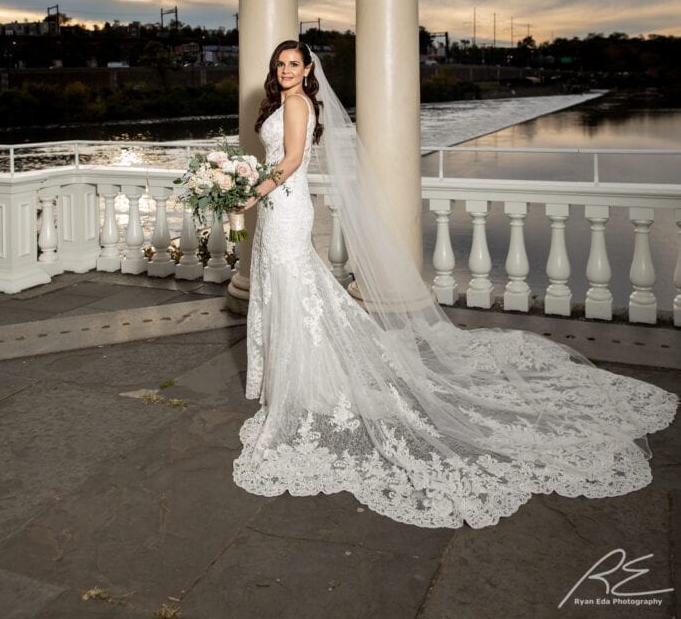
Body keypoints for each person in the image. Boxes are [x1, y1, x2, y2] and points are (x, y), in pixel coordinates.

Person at [232, 39, 678, 529]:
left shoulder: (296, 103)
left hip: (285, 206)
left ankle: (307, 381)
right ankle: (295, 377)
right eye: (280, 63)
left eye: (295, 63)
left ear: (307, 70)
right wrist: (249, 186)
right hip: (280, 207)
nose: (287, 70)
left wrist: (247, 196)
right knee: (291, 289)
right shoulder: (282, 102)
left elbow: (292, 160)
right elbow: (279, 158)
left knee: (298, 289)